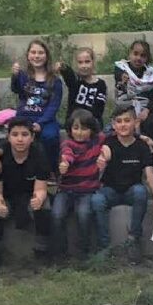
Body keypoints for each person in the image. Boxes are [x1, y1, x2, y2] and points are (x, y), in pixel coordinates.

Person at [0, 118, 53, 271]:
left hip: (29, 194)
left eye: (25, 134)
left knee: (44, 206)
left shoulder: (39, 154)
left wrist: (38, 198)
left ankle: (41, 252)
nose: (20, 139)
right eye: (15, 134)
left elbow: (41, 188)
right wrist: (0, 204)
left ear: (32, 137)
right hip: (5, 195)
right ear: (8, 137)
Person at [93, 106, 153, 263]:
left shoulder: (142, 146)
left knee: (140, 191)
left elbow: (149, 173)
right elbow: (98, 166)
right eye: (119, 121)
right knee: (97, 200)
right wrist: (102, 162)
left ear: (135, 122)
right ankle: (104, 245)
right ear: (113, 125)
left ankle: (134, 239)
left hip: (131, 190)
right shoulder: (108, 143)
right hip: (110, 190)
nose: (123, 125)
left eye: (127, 120)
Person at [54, 110, 106, 259]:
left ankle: (84, 251)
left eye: (84, 128)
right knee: (57, 214)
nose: (79, 132)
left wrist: (141, 136)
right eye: (76, 128)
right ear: (70, 129)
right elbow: (68, 154)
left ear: (92, 130)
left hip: (87, 190)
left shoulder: (97, 141)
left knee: (84, 214)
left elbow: (115, 134)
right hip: (66, 189)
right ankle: (59, 252)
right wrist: (65, 163)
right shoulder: (67, 143)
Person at [11, 39, 63, 169]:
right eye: (33, 52)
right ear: (28, 55)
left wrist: (41, 123)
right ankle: (20, 168)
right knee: (19, 137)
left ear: (47, 56)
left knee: (50, 137)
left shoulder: (55, 80)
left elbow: (54, 105)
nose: (37, 56)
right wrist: (14, 76)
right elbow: (16, 89)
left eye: (40, 53)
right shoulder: (23, 75)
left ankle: (51, 170)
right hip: (24, 116)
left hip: (45, 119)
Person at [115, 39, 153, 140]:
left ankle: (149, 145)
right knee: (126, 120)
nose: (138, 58)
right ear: (130, 54)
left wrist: (146, 111)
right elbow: (119, 82)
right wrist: (123, 80)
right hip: (126, 104)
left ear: (147, 58)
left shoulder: (152, 76)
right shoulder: (121, 68)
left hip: (145, 107)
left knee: (151, 121)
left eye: (143, 55)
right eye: (135, 54)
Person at [58, 47, 108, 126]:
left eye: (87, 62)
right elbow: (69, 75)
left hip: (92, 123)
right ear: (76, 64)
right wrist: (63, 67)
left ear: (93, 62)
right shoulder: (75, 81)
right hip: (74, 122)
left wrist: (86, 121)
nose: (84, 66)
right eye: (80, 62)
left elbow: (99, 109)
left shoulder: (101, 84)